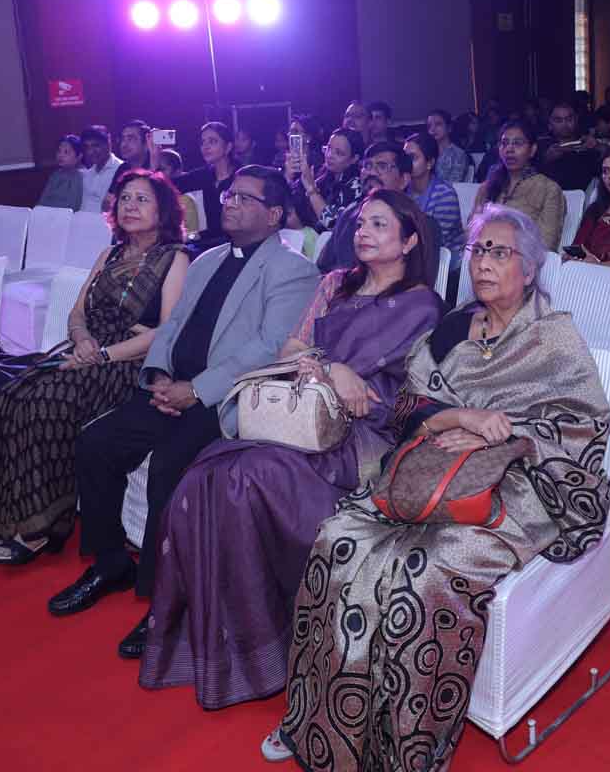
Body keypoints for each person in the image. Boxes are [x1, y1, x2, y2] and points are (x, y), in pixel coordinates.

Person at [262, 205, 610, 769]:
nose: (484, 263)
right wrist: (459, 418)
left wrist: (504, 435)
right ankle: (319, 720)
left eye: (500, 252)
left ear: (529, 268)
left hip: (516, 486)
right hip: (431, 471)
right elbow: (406, 409)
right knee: (338, 540)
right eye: (478, 250)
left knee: (423, 572)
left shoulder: (554, 337)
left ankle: (408, 748)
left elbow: (584, 425)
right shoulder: (451, 329)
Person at [139, 189, 442, 706]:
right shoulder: (334, 284)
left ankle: (267, 645)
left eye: (379, 224)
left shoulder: (422, 306)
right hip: (301, 415)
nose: (363, 232)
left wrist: (337, 374)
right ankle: (221, 638)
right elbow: (292, 348)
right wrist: (330, 366)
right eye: (360, 223)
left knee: (242, 479)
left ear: (410, 241)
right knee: (202, 477)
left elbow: (412, 393)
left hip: (363, 433)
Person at [46, 166, 319, 632]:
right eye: (229, 195)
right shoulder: (208, 259)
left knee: (169, 466)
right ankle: (111, 562)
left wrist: (196, 390)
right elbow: (171, 326)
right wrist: (158, 373)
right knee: (96, 443)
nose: (230, 203)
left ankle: (166, 598)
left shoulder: (293, 269)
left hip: (224, 398)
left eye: (245, 198)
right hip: (170, 387)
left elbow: (270, 346)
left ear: (274, 214)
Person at [0, 169, 191, 565]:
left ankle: (40, 529)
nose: (130, 206)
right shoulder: (109, 255)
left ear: (163, 210)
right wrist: (82, 337)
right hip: (85, 350)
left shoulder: (174, 258)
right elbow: (77, 312)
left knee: (47, 403)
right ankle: (15, 516)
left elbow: (165, 333)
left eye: (142, 199)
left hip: (127, 363)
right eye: (125, 198)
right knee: (12, 397)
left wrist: (104, 354)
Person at [316, 143, 441, 285]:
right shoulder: (349, 215)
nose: (372, 173)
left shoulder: (422, 225)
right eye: (367, 166)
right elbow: (323, 266)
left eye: (382, 166)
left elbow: (421, 281)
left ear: (404, 179)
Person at [475, 119, 566, 250]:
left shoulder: (549, 189)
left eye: (517, 143)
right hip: (484, 254)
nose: (509, 149)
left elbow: (547, 243)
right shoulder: (487, 187)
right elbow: (471, 231)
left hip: (523, 258)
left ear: (532, 150)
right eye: (504, 143)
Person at [289, 127, 364, 232]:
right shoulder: (321, 174)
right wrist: (288, 177)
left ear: (354, 159)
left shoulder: (356, 186)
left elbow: (333, 224)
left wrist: (312, 190)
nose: (329, 155)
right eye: (329, 148)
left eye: (338, 153)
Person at [175, 122, 239, 245]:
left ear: (228, 147)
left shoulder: (242, 177)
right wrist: (154, 159)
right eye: (203, 142)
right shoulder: (199, 176)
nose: (205, 147)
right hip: (202, 246)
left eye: (212, 141)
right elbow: (163, 187)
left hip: (234, 244)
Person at [402, 132, 465, 253]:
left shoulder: (445, 194)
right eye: (404, 158)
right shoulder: (403, 190)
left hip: (445, 258)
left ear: (429, 163)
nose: (406, 163)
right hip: (412, 252)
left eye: (413, 158)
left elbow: (433, 240)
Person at [538, 101, 601, 192]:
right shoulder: (542, 146)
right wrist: (546, 159)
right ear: (550, 125)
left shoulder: (587, 143)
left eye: (569, 119)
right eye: (558, 120)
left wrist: (598, 147)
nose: (564, 124)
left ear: (576, 120)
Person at [78, 126, 122, 213]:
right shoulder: (87, 174)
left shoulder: (121, 170)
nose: (91, 151)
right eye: (87, 147)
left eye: (96, 145)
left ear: (108, 143)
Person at [36, 134, 85, 210]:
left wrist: (49, 208)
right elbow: (42, 201)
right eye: (59, 151)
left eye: (66, 152)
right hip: (47, 214)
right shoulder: (55, 175)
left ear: (79, 156)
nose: (60, 155)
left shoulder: (80, 176)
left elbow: (72, 205)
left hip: (65, 215)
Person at [426, 108, 472, 184]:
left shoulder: (458, 154)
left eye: (438, 124)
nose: (432, 129)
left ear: (449, 128)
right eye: (429, 126)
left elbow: (454, 183)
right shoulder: (427, 153)